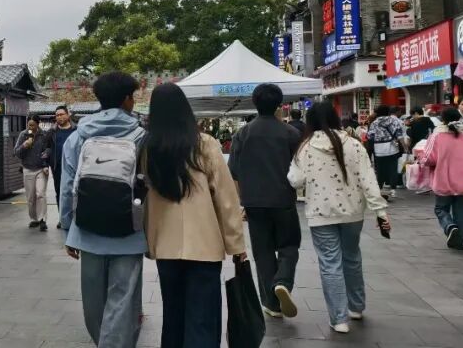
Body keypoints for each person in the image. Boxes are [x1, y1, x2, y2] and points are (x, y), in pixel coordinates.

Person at [141, 83, 246, 348]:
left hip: (165, 245)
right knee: (203, 317)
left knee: (173, 315)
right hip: (204, 245)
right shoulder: (204, 144)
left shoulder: (148, 148)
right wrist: (236, 245)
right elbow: (226, 199)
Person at [60, 71, 147, 347]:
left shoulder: (78, 137)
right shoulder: (142, 137)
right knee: (123, 300)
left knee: (94, 301)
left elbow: (68, 186)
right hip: (129, 232)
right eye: (132, 97)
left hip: (87, 230)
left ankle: (103, 341)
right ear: (126, 100)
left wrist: (68, 229)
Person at [287, 102, 390, 334]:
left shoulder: (305, 148)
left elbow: (295, 180)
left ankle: (339, 318)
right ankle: (356, 307)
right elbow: (368, 180)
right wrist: (380, 212)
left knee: (329, 263)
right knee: (352, 257)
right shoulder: (354, 144)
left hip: (321, 213)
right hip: (353, 212)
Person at [229, 83, 301, 319]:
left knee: (263, 251)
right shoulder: (290, 133)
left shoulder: (243, 134)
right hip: (284, 199)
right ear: (279, 104)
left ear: (255, 103)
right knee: (289, 245)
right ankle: (283, 281)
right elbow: (300, 168)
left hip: (254, 202)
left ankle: (271, 303)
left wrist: (241, 201)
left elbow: (234, 171)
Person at [425, 107, 463, 249]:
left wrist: (421, 159)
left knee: (441, 209)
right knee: (462, 213)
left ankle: (450, 226)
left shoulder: (436, 136)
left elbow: (429, 159)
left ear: (442, 119)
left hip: (444, 181)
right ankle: (459, 242)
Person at [15, 116, 51, 231]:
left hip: (40, 169)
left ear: (38, 124)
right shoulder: (23, 135)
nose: (30, 127)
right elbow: (17, 152)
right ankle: (34, 218)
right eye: (29, 125)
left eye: (33, 125)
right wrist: (24, 145)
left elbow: (47, 150)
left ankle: (42, 220)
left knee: (40, 194)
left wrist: (45, 165)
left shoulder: (44, 135)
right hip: (27, 168)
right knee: (31, 197)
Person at [49, 105, 77, 229]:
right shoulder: (52, 132)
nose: (59, 117)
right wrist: (46, 164)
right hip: (58, 167)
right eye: (57, 115)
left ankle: (76, 218)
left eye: (61, 114)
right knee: (60, 193)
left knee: (75, 192)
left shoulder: (76, 130)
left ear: (68, 115)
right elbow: (46, 149)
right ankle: (62, 218)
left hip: (75, 167)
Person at [367, 105, 405, 193]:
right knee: (393, 168)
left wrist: (379, 138)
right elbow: (399, 135)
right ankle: (393, 189)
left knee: (380, 169)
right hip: (392, 148)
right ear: (388, 112)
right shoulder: (393, 121)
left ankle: (380, 188)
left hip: (379, 149)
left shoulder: (374, 123)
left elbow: (370, 136)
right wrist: (404, 147)